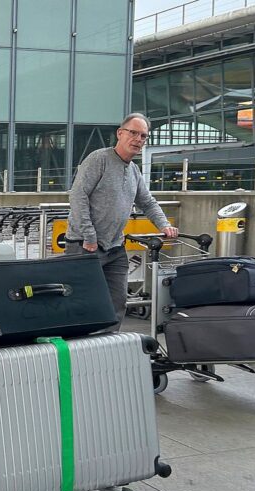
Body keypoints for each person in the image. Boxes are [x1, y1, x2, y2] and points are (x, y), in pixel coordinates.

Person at [66, 112, 179, 330]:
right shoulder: (99, 159)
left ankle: (110, 346)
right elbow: (77, 195)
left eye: (143, 136)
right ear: (120, 133)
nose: (138, 139)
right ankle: (78, 349)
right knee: (82, 302)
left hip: (115, 247)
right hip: (84, 245)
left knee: (117, 301)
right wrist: (89, 236)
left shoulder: (134, 170)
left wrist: (164, 225)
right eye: (133, 133)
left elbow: (147, 201)